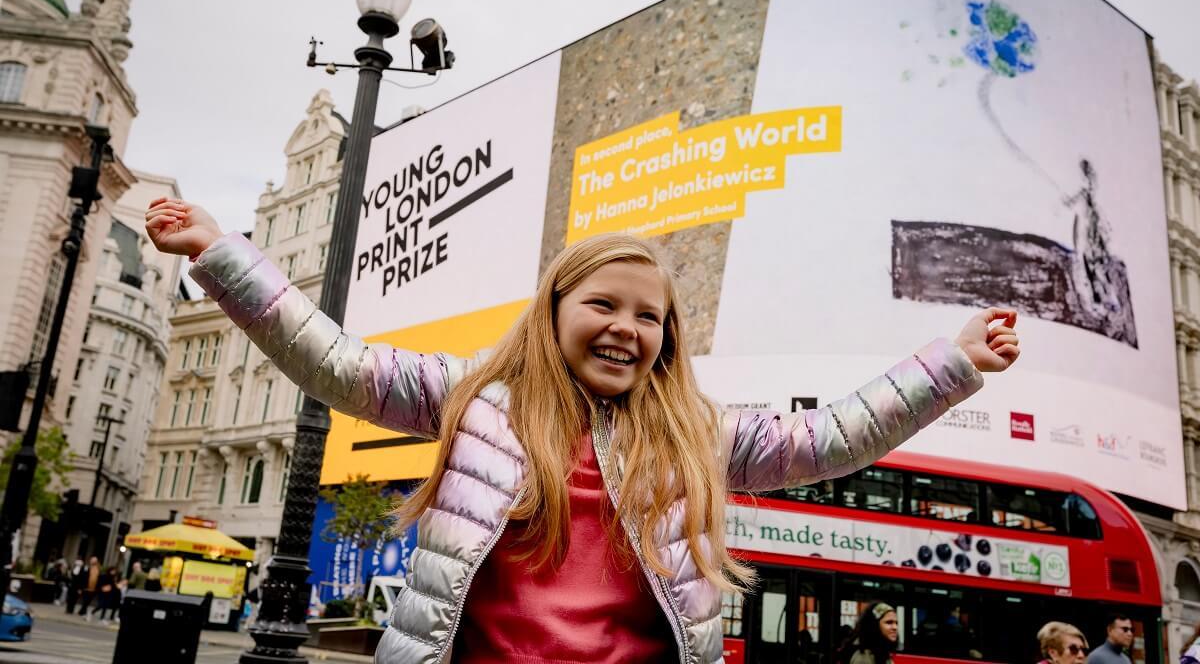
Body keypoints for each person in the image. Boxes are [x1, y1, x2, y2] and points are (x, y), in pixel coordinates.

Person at [145, 197, 1021, 664]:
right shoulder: (471, 395)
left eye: (649, 316)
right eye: (602, 303)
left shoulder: (696, 435)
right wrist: (221, 254)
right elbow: (335, 360)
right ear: (552, 311)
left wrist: (955, 363)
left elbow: (831, 436)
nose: (625, 327)